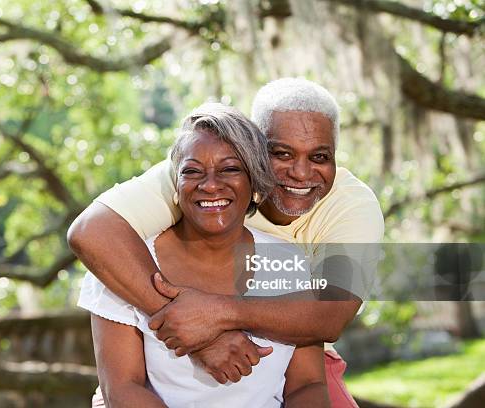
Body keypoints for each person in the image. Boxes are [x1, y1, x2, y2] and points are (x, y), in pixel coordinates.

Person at [69, 78, 384, 407]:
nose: (301, 173)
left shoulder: (348, 211)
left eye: (319, 157)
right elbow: (90, 231)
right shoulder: (190, 166)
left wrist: (216, 316)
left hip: (304, 336)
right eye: (282, 153)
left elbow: (329, 319)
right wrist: (199, 335)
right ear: (259, 156)